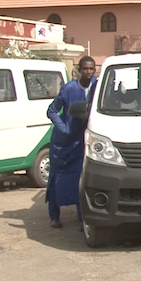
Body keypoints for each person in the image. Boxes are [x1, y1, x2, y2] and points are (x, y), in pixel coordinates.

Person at [45, 56, 98, 229]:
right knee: (57, 178)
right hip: (64, 143)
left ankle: (82, 216)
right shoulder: (69, 89)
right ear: (79, 70)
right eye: (85, 69)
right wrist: (63, 128)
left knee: (80, 179)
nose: (88, 72)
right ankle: (54, 215)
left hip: (83, 142)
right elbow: (51, 111)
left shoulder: (98, 86)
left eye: (91, 69)